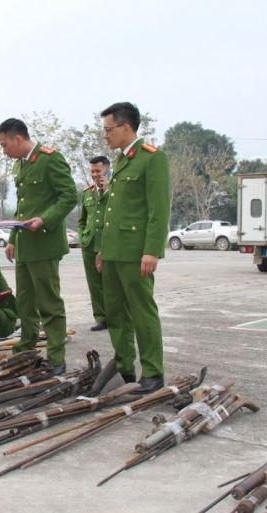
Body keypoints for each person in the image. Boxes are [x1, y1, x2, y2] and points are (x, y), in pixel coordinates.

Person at [96, 102, 170, 395]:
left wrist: (152, 250)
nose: (105, 135)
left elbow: (159, 209)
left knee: (142, 312)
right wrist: (103, 249)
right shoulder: (123, 161)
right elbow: (115, 212)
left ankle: (153, 373)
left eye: (108, 129)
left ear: (125, 128)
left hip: (135, 253)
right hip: (114, 252)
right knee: (115, 314)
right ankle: (125, 368)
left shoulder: (152, 158)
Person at [0, 118, 78, 375]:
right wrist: (13, 240)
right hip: (25, 245)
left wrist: (45, 220)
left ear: (18, 139)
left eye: (5, 144)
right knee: (26, 303)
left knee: (49, 304)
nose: (3, 150)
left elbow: (69, 196)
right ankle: (26, 347)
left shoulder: (49, 159)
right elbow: (23, 208)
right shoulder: (22, 165)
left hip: (44, 244)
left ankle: (56, 358)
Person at [78, 156, 111, 331]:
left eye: (98, 171)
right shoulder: (87, 192)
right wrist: (83, 235)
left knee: (111, 282)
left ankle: (115, 317)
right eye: (92, 171)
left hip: (109, 243)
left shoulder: (115, 190)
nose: (95, 174)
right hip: (90, 243)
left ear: (107, 170)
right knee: (94, 283)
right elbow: (82, 219)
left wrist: (107, 191)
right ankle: (101, 317)